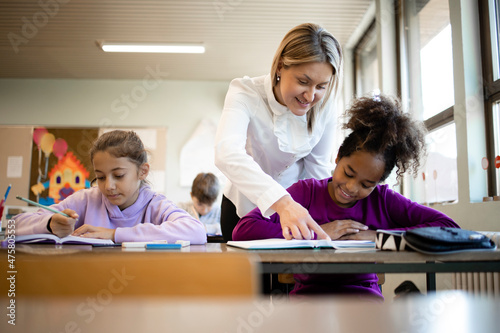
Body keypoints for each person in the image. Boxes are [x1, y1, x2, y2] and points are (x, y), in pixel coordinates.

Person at [232, 94, 460, 299]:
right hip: (309, 295)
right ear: (338, 156)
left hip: (363, 295)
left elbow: (449, 228)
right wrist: (315, 233)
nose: (351, 187)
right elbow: (243, 229)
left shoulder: (383, 200)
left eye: (367, 184)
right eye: (348, 173)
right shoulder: (306, 192)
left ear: (379, 182)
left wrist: (378, 237)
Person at [215, 23, 343, 242]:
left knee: (292, 276)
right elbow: (227, 153)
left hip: (298, 211)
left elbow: (317, 169)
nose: (311, 96)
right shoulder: (245, 92)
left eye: (321, 86)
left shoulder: (327, 105)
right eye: (304, 82)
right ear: (281, 66)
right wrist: (283, 203)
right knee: (252, 276)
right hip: (243, 207)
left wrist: (329, 216)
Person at [14, 130, 207, 244]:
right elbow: (15, 225)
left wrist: (115, 234)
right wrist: (49, 223)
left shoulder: (154, 204)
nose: (109, 186)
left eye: (118, 175)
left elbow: (196, 231)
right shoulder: (86, 199)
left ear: (143, 171)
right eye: (100, 177)